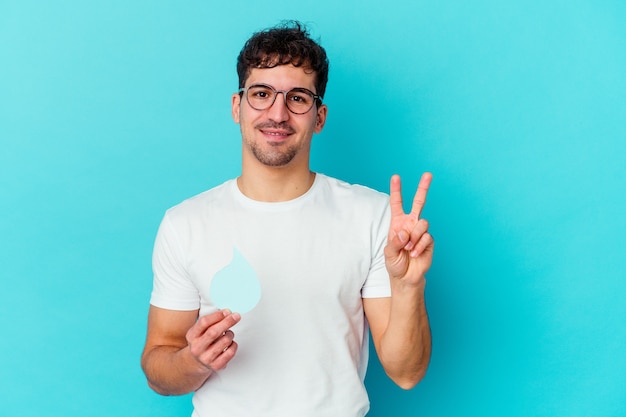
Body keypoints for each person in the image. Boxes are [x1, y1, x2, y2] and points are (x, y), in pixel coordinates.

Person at [141, 21, 434, 417]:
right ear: (237, 107)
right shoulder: (185, 223)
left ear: (319, 117)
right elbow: (158, 369)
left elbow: (406, 373)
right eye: (261, 94)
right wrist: (194, 360)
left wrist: (408, 286)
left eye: (297, 98)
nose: (277, 113)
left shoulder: (373, 216)